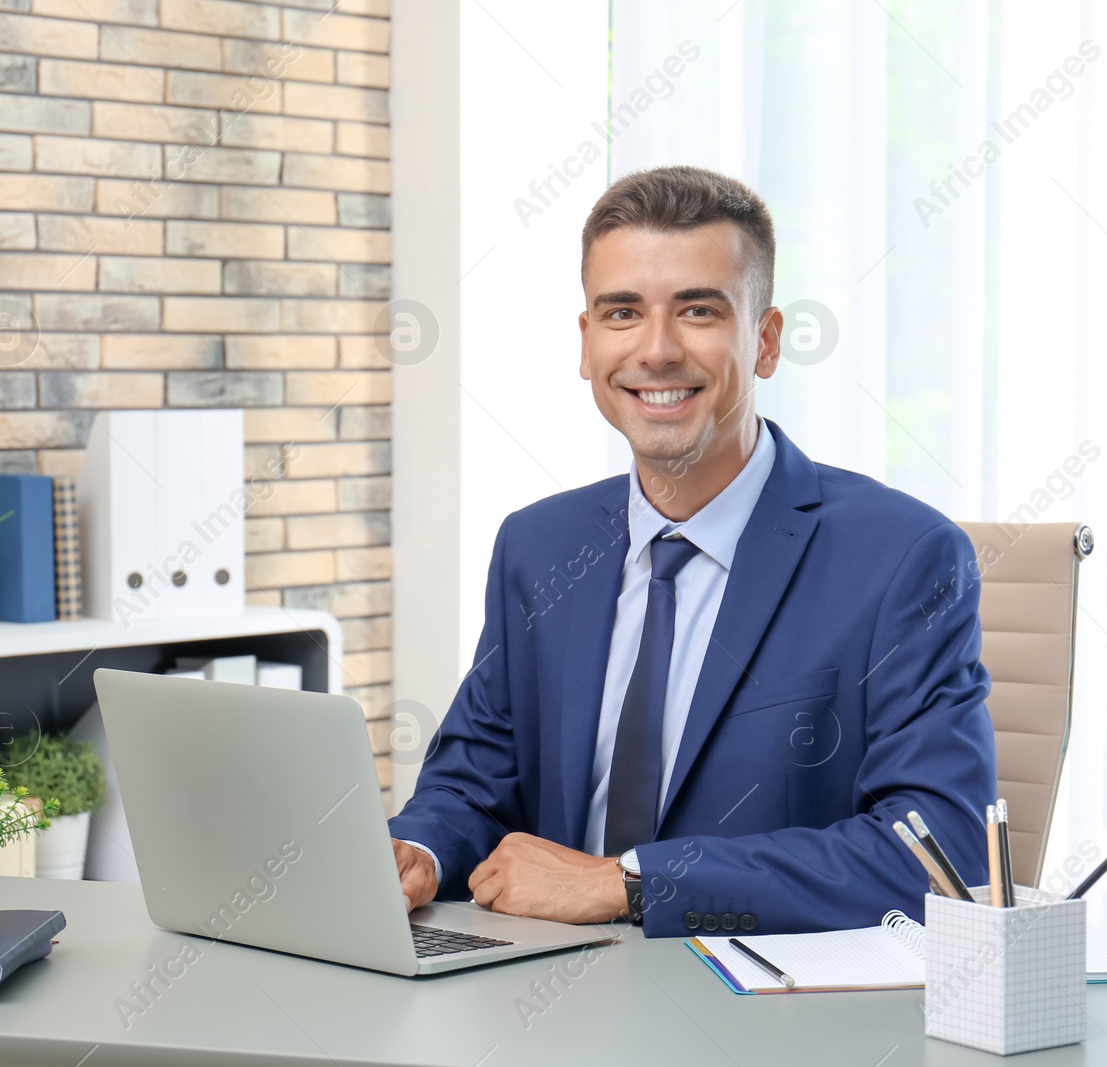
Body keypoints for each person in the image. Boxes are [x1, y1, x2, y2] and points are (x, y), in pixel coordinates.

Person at [387, 165, 996, 937]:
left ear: (766, 341)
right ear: (586, 344)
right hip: (545, 1003)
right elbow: (474, 782)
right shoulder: (536, 546)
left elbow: (940, 857)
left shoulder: (904, 557)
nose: (657, 349)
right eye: (622, 312)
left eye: (698, 311)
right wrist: (418, 850)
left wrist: (630, 883)